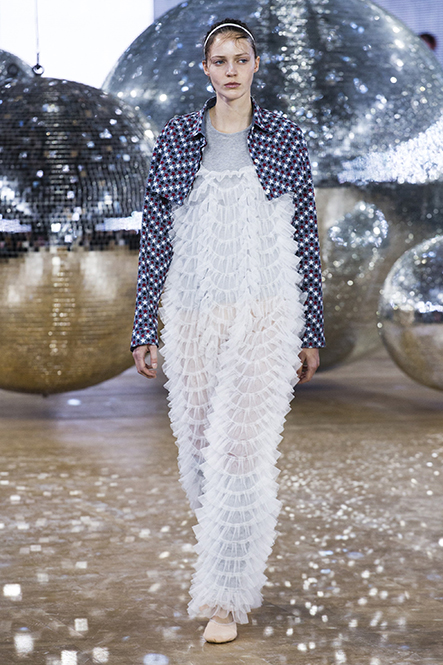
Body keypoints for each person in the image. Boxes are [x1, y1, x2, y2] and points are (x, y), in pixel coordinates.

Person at [131, 18, 326, 644]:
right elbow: (156, 237)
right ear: (206, 69)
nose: (232, 69)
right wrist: (144, 324)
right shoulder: (179, 137)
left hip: (267, 311)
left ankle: (225, 599)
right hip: (192, 312)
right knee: (197, 456)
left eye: (242, 58)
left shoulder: (283, 137)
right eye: (221, 60)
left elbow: (304, 237)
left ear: (256, 65)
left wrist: (311, 331)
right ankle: (230, 550)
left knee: (240, 451)